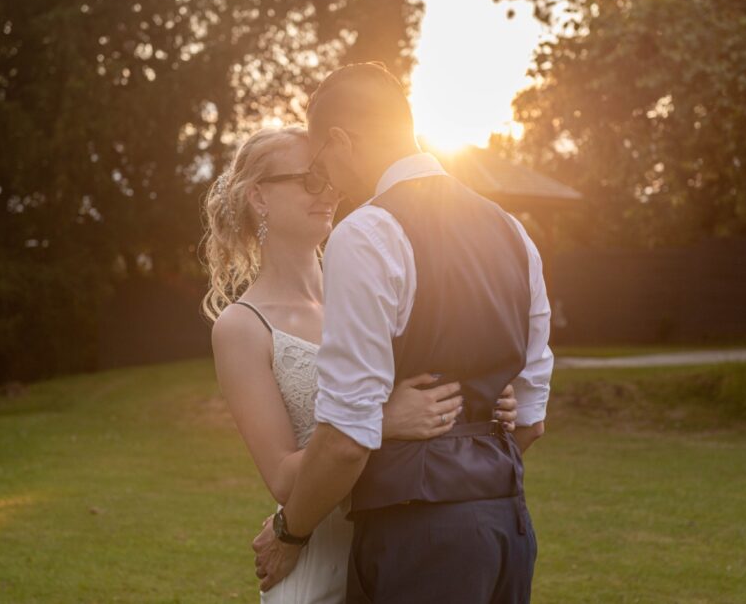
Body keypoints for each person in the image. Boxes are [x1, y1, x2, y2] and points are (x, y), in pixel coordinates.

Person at [252, 63, 553, 603]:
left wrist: (289, 532)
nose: (327, 184)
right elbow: (529, 420)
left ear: (342, 141)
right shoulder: (513, 231)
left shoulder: (367, 234)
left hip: (419, 539)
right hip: (508, 529)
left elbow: (346, 438)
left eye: (321, 164)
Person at [202, 126, 521, 603]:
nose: (330, 190)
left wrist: (485, 398)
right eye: (310, 179)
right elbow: (284, 478)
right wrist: (384, 422)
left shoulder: (373, 286)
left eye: (330, 175)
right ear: (258, 197)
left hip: (407, 536)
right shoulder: (241, 327)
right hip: (318, 554)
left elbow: (432, 390)